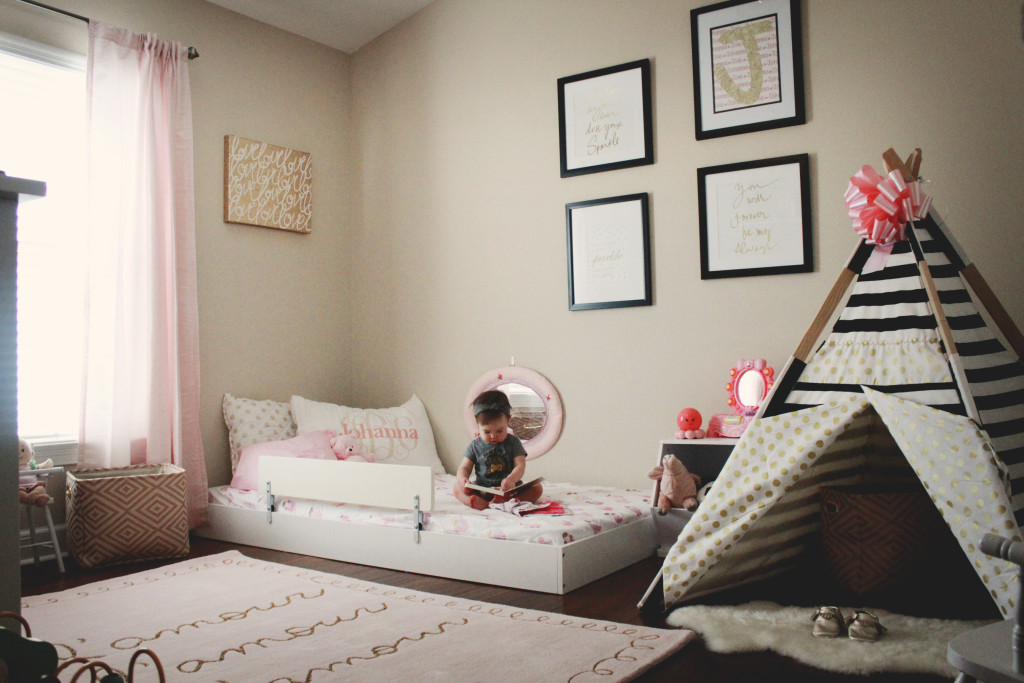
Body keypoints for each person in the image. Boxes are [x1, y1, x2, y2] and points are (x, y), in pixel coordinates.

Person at [454, 390, 544, 510]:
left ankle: (506, 501)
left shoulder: (513, 442)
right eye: (487, 431)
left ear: (508, 420)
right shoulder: (474, 446)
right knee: (456, 488)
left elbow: (520, 465)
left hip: (509, 491)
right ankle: (478, 502)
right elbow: (464, 468)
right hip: (483, 491)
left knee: (537, 488)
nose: (493, 436)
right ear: (477, 423)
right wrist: (462, 479)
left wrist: (511, 479)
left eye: (500, 431)